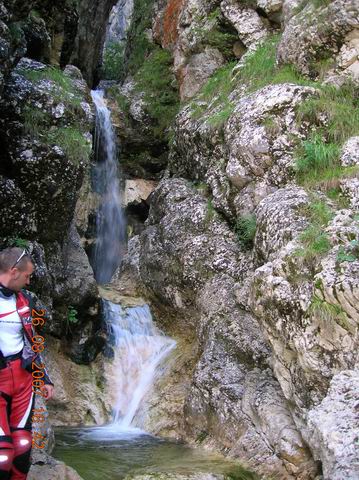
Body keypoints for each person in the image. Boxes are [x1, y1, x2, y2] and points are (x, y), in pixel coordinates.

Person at [0, 247, 54, 480]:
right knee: (3, 455)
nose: (29, 281)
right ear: (13, 272)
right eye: (27, 276)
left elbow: (32, 342)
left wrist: (44, 378)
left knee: (23, 445)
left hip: (22, 378)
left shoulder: (25, 299)